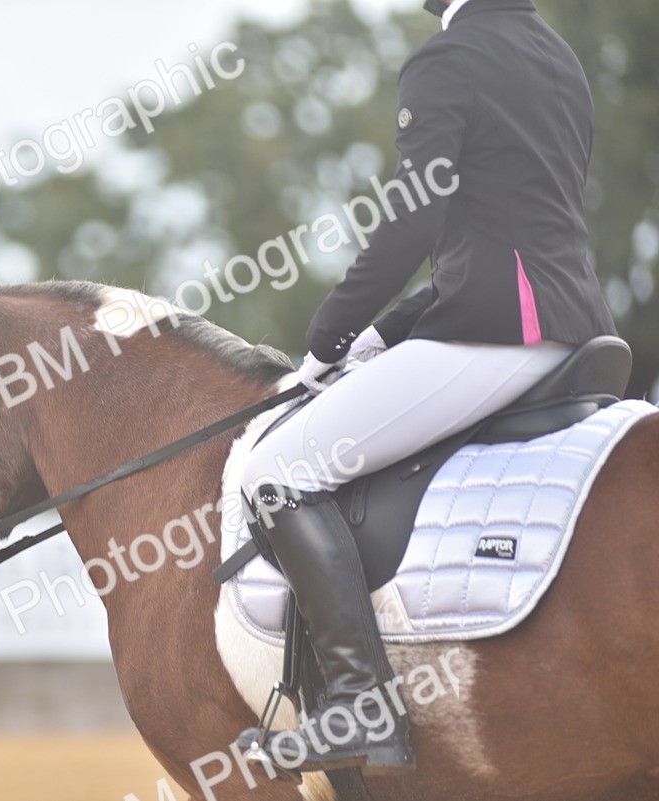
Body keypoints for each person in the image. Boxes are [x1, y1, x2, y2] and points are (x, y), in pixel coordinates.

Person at [234, 0, 617, 776]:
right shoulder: (557, 58)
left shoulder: (448, 58)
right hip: (576, 324)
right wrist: (385, 333)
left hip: (498, 334)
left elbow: (412, 221)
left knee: (276, 470)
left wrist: (328, 336)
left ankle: (358, 705)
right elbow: (502, 231)